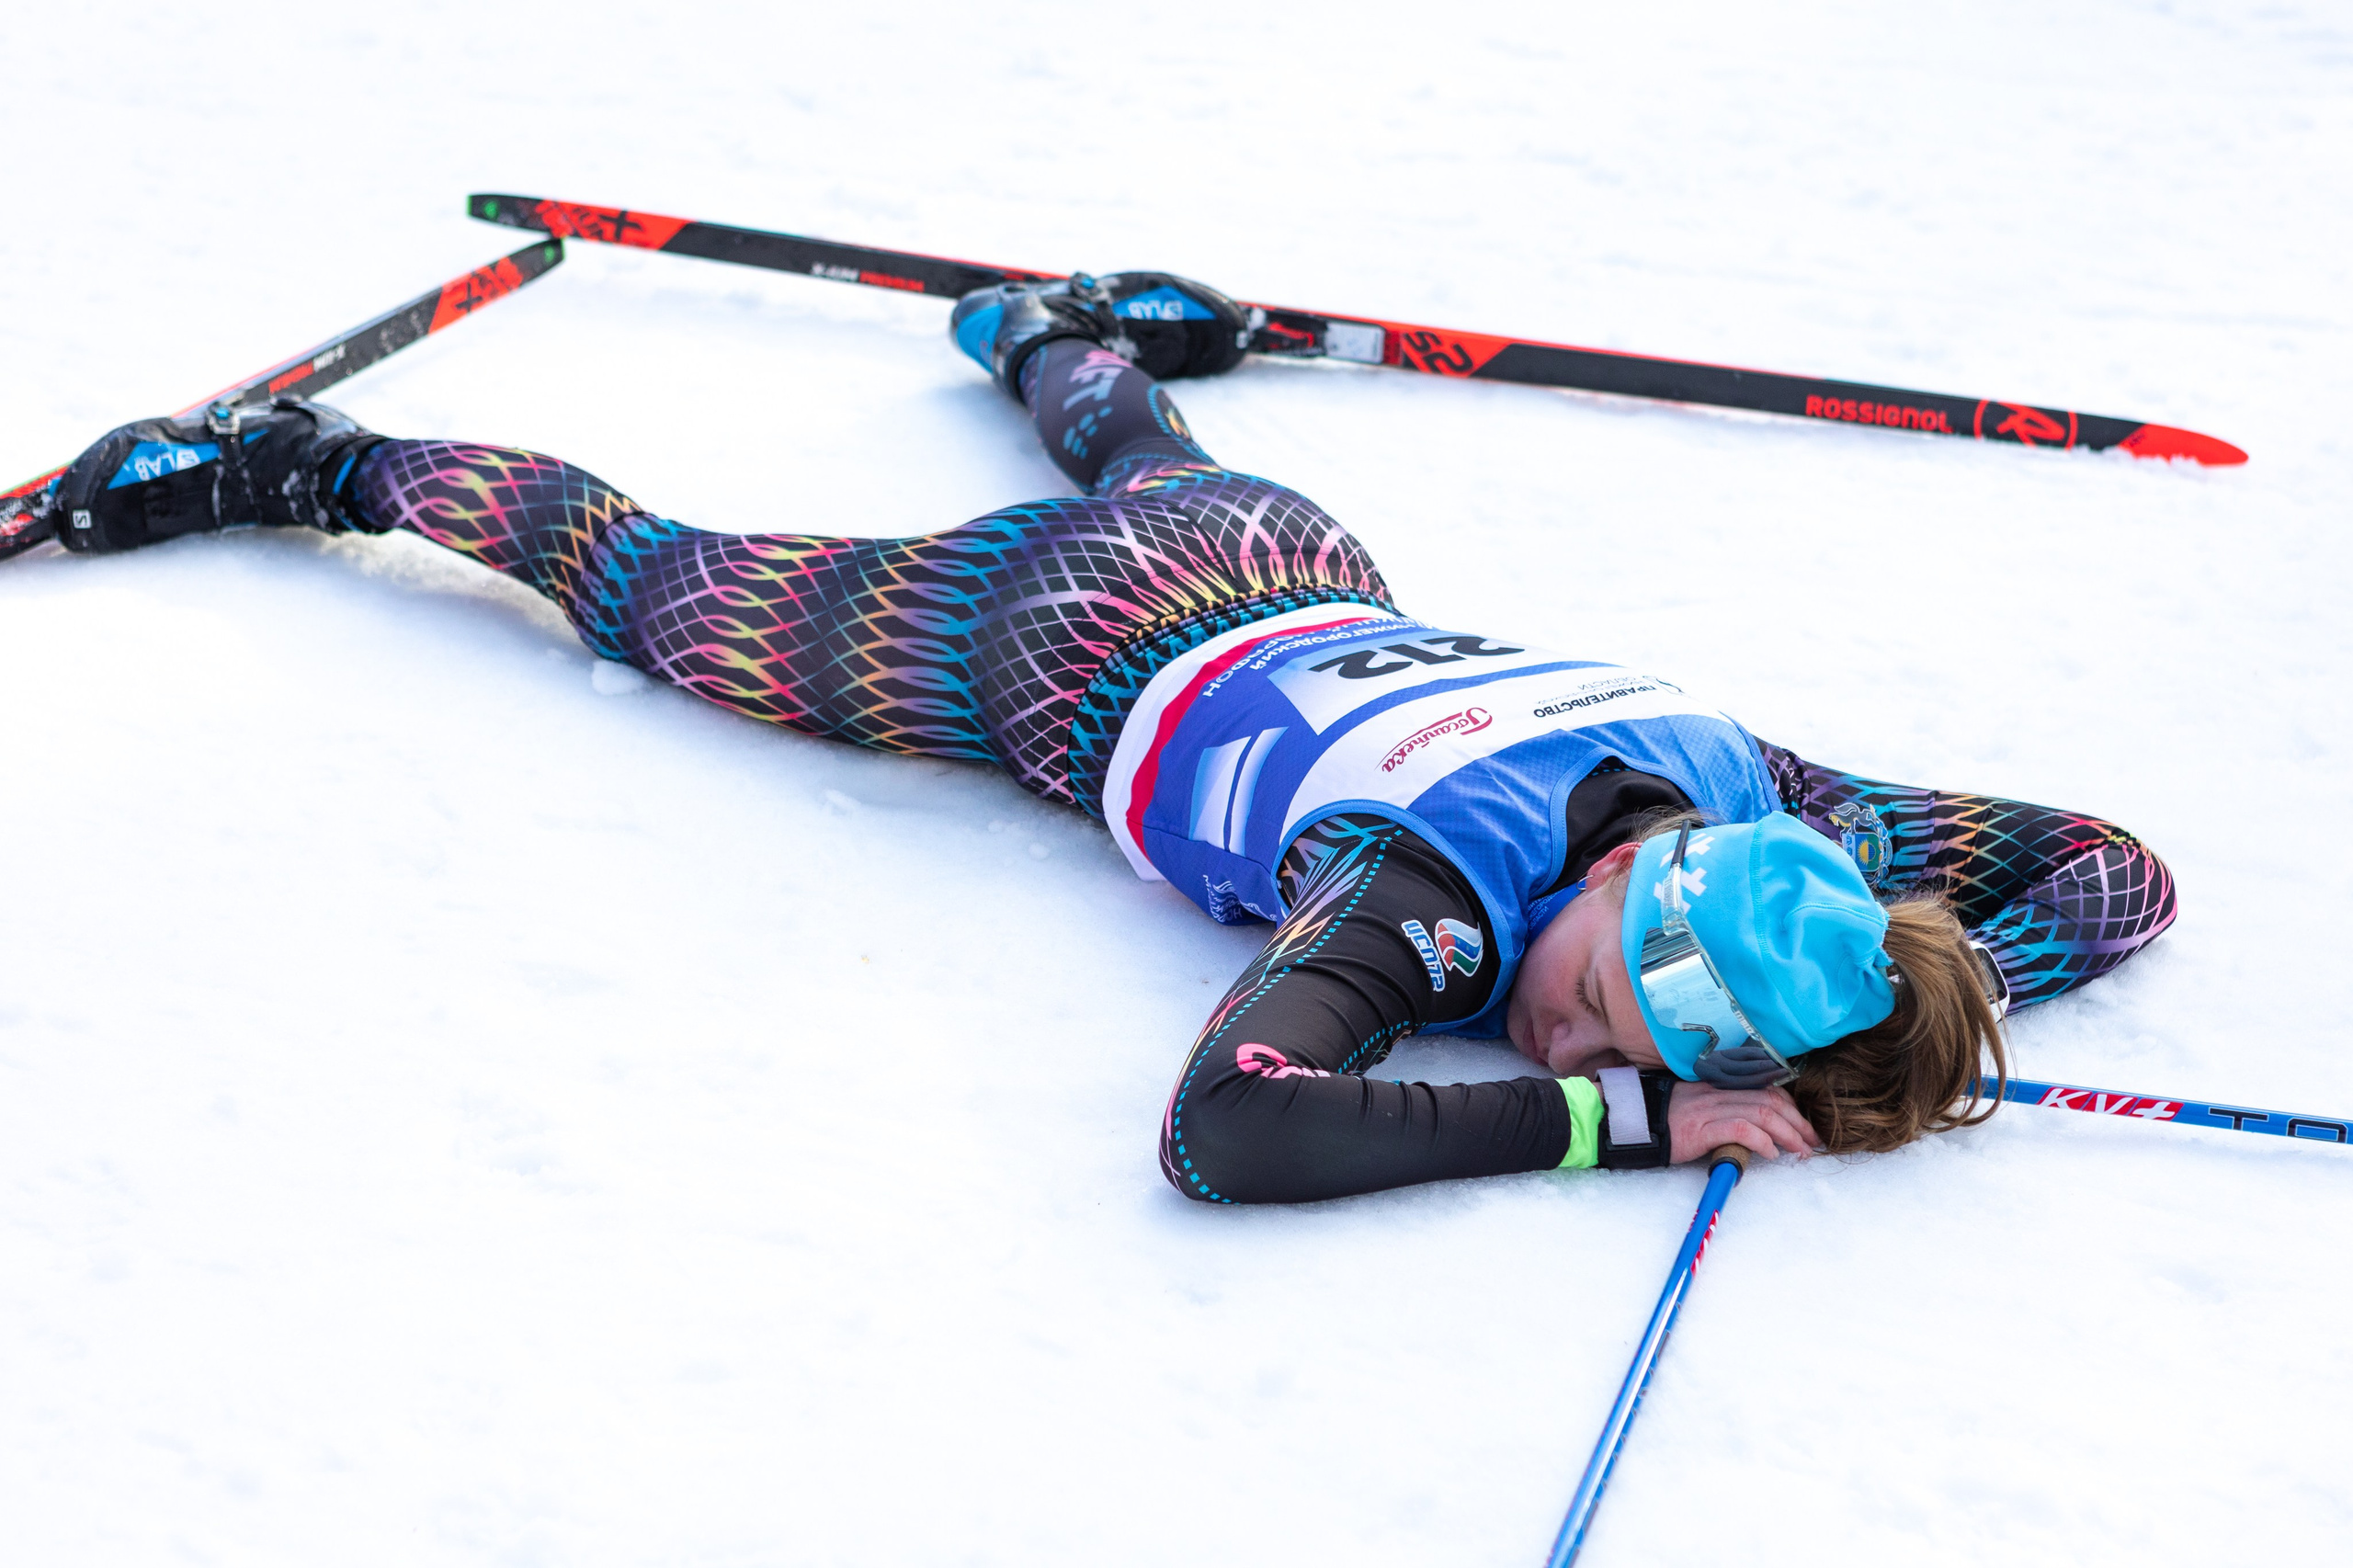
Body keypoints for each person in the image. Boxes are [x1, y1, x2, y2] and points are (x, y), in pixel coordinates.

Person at [43, 269, 2178, 1204]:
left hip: (1286, 554)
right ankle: (298, 470)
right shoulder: (1434, 901)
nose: (1565, 1040)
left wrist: (1878, 1044)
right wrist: (1616, 1139)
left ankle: (1051, 333)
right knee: (656, 589)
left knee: (1155, 459)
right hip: (1044, 652)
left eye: (1617, 1052)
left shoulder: (1763, 804)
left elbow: (2111, 875)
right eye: (1597, 999)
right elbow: (1229, 1128)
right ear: (1613, 880)